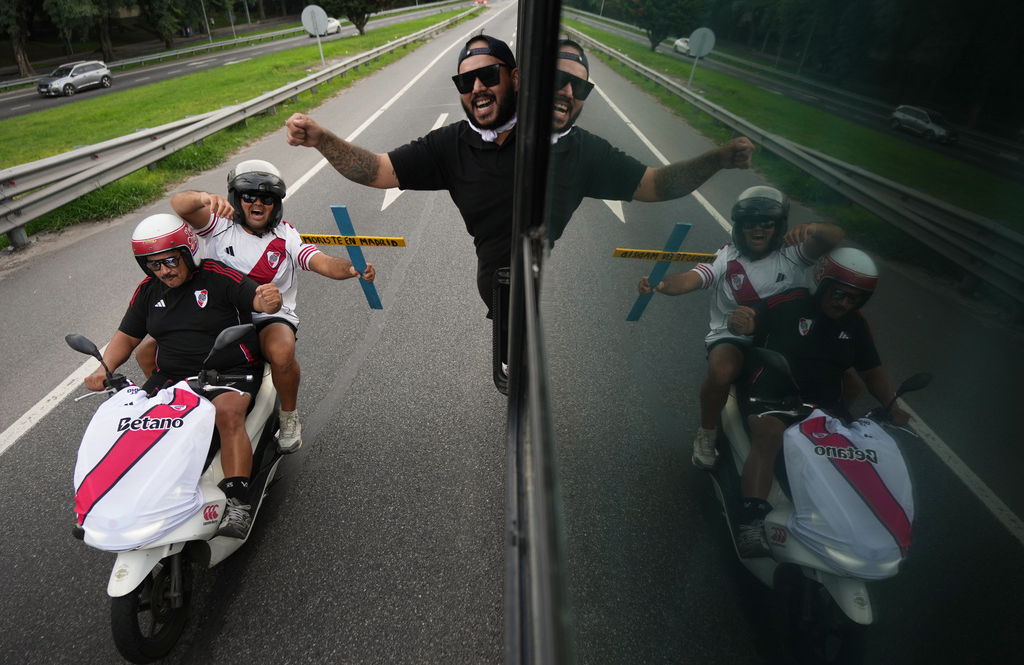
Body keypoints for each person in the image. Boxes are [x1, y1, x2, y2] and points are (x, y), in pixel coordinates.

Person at [284, 34, 754, 377]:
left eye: (580, 88)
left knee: (520, 370)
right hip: (497, 285)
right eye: (466, 82)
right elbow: (378, 170)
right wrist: (322, 139)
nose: (477, 88)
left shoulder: (582, 152)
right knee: (512, 364)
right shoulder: (452, 145)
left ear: (513, 79)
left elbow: (655, 185)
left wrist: (717, 159)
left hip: (527, 282)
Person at [135, 160, 375, 454]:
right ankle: (173, 402)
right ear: (237, 199)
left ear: (276, 205)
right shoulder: (216, 225)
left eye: (267, 198)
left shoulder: (287, 236)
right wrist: (203, 199)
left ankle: (288, 417)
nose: (258, 203)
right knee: (147, 350)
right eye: (249, 196)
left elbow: (320, 261)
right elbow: (179, 204)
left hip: (267, 315)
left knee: (282, 352)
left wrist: (351, 268)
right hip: (215, 313)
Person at [84, 214, 283, 539]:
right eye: (154, 264)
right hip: (173, 375)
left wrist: (268, 299)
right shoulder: (149, 291)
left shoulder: (218, 276)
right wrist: (103, 369)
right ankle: (127, 500)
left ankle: (237, 503)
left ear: (188, 251)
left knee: (227, 413)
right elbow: (127, 336)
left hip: (230, 371)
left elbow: (258, 298)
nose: (163, 270)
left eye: (170, 261)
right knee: (136, 422)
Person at [638, 186, 845, 470]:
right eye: (749, 223)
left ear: (779, 225)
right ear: (740, 227)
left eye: (767, 223)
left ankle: (839, 429)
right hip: (733, 336)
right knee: (721, 371)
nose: (757, 228)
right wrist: (661, 284)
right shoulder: (726, 255)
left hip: (785, 337)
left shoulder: (796, 253)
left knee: (842, 368)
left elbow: (834, 238)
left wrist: (814, 228)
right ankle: (706, 433)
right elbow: (690, 279)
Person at [727, 247, 911, 557]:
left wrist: (891, 404)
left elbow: (872, 370)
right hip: (770, 394)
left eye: (854, 298)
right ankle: (751, 523)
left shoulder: (855, 324)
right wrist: (741, 322)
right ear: (821, 282)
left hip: (823, 404)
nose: (844, 303)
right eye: (838, 293)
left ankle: (845, 524)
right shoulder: (787, 303)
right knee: (770, 436)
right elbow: (749, 320)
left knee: (854, 451)